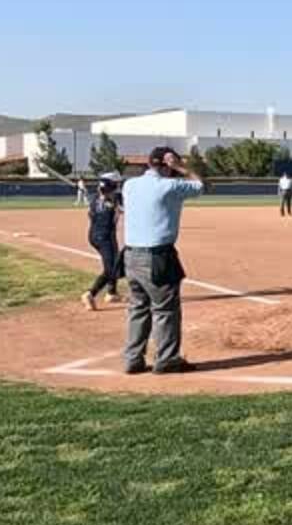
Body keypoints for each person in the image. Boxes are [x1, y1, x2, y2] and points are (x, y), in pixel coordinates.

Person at [121, 147, 205, 374]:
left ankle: (132, 359)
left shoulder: (129, 185)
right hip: (157, 256)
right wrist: (181, 167)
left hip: (130, 255)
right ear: (168, 164)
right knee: (165, 309)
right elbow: (200, 185)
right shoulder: (169, 186)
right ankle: (167, 359)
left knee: (138, 308)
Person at [82, 174, 123, 311]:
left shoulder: (96, 200)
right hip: (104, 237)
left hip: (96, 236)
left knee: (115, 261)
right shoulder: (108, 202)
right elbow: (118, 209)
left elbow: (91, 214)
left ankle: (112, 292)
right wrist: (113, 208)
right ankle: (90, 294)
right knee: (110, 269)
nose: (113, 192)